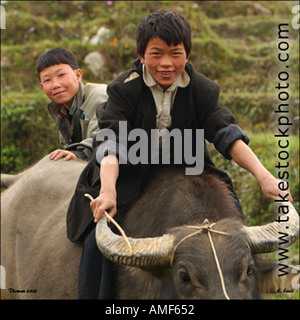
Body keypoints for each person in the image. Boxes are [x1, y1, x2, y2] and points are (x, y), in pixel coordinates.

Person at [67, 11, 293, 299]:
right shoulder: (123, 90)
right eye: (156, 53)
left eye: (175, 53)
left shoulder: (202, 89)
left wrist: (264, 177)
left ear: (187, 54)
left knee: (234, 232)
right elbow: (112, 143)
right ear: (141, 54)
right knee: (96, 242)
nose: (166, 63)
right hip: (130, 177)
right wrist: (108, 190)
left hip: (191, 173)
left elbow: (226, 133)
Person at [36, 48, 108, 161]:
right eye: (47, 80)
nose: (55, 85)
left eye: (61, 75)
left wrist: (78, 154)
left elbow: (105, 135)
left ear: (78, 75)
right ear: (42, 86)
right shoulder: (61, 111)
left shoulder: (99, 97)